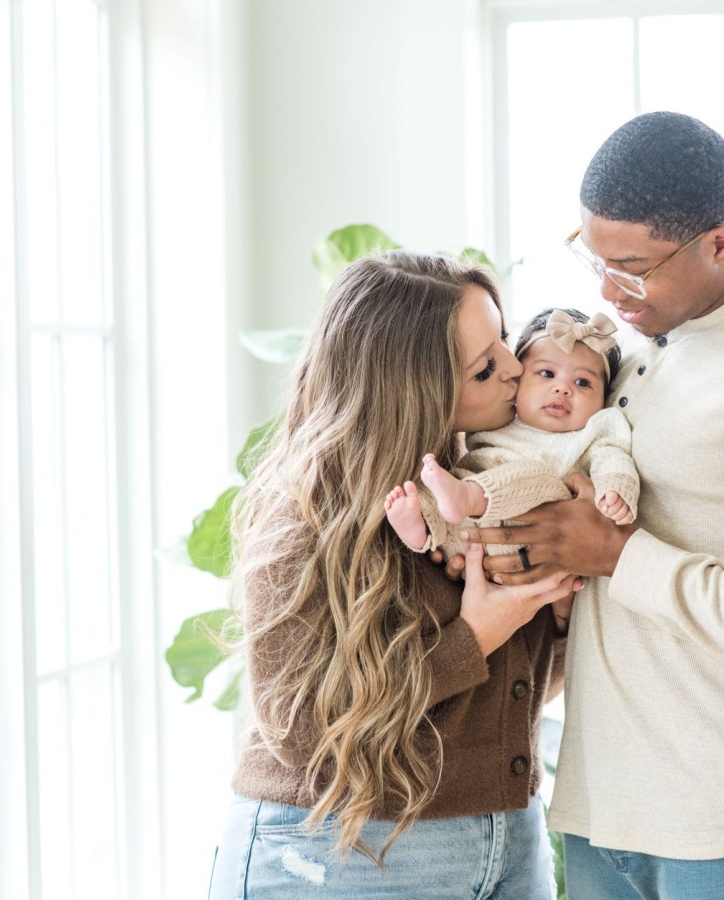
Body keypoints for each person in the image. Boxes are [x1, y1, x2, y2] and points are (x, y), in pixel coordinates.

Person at [462, 112, 724, 899]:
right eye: (594, 260)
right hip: (602, 814)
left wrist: (617, 556)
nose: (606, 292)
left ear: (720, 244)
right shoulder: (651, 338)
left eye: (632, 267)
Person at [208, 251, 579, 899]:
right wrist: (477, 633)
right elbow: (302, 732)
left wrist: (557, 619)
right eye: (486, 366)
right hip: (339, 849)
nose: (517, 369)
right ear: (416, 388)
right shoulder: (304, 520)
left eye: (505, 343)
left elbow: (499, 700)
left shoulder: (480, 489)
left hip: (505, 839)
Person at [383, 307, 640, 586]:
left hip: (533, 537)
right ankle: (422, 529)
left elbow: (613, 459)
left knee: (538, 477)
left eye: (582, 382)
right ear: (519, 378)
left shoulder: (593, 432)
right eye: (546, 373)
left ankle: (467, 496)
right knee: (436, 486)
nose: (563, 389)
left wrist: (617, 491)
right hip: (469, 543)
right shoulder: (499, 417)